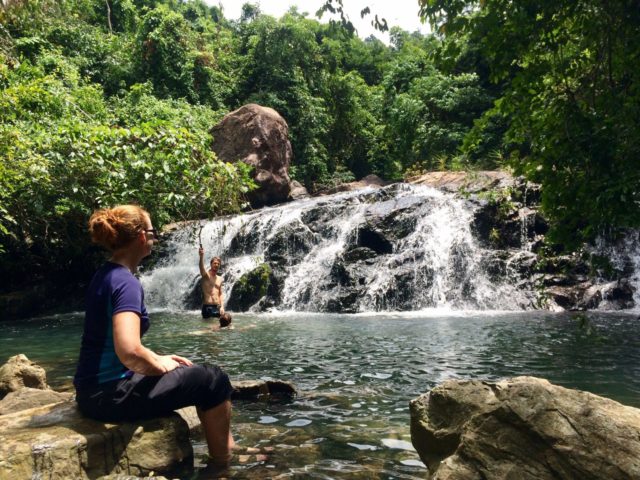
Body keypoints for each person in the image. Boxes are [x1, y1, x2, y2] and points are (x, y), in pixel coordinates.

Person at [73, 205, 234, 465]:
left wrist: (159, 357)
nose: (155, 237)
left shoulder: (106, 274)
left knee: (189, 369)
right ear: (140, 237)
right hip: (110, 396)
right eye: (152, 231)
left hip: (91, 391)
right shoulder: (126, 283)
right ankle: (223, 462)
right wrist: (159, 366)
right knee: (214, 380)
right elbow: (129, 350)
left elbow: (116, 345)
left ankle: (224, 450)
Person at [199, 247, 225, 320]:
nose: (216, 265)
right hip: (207, 307)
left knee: (219, 329)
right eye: (214, 263)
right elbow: (201, 268)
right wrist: (201, 257)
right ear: (211, 264)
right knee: (207, 329)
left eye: (218, 264)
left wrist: (222, 307)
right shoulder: (206, 276)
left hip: (217, 307)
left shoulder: (220, 279)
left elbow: (221, 294)